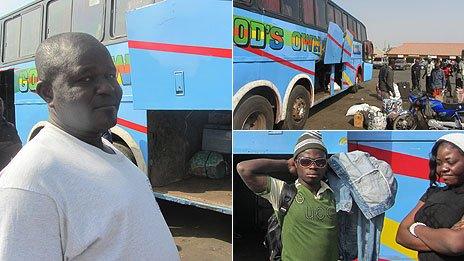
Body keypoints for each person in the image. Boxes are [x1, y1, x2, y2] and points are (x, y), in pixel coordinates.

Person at [0, 32, 179, 260]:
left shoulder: (107, 149)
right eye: (85, 79)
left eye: (110, 76)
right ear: (48, 92)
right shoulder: (31, 181)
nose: (108, 88)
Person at [236, 132, 338, 261]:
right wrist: (285, 165)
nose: (313, 166)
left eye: (320, 162)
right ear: (296, 163)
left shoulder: (334, 193)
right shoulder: (283, 191)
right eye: (305, 162)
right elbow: (244, 169)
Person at [396, 133, 464, 260]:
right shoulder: (432, 193)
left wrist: (417, 228)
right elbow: (401, 235)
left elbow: (456, 244)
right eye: (438, 163)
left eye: (450, 162)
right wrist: (442, 241)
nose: (443, 168)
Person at [0, 97, 22, 171]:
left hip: (5, 171)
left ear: (3, 108)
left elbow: (18, 147)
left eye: (0, 105)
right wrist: (8, 144)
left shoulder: (10, 127)